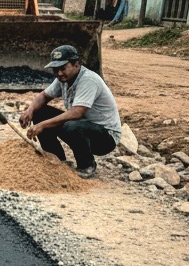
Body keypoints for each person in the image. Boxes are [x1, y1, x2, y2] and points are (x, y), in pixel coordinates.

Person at [19, 44, 121, 179]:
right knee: (40, 112)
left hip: (105, 138)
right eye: (55, 70)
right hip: (82, 127)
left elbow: (77, 113)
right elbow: (44, 96)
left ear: (76, 64)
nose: (59, 73)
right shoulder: (63, 79)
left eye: (63, 68)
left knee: (71, 126)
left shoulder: (88, 80)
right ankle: (56, 159)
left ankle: (86, 165)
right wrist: (29, 110)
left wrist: (42, 125)